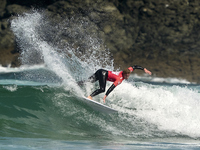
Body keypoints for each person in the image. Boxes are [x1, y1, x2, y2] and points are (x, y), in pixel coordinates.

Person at [86, 65, 152, 103]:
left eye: (128, 75)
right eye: (126, 76)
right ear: (124, 74)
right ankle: (90, 96)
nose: (127, 77)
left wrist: (144, 69)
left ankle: (77, 84)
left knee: (88, 81)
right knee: (102, 89)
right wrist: (105, 96)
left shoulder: (127, 70)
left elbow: (135, 66)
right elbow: (112, 87)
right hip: (103, 74)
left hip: (101, 71)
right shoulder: (119, 79)